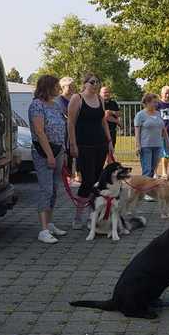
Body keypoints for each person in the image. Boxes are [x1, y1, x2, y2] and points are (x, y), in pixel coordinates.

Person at [67, 74, 114, 229]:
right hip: (84, 145)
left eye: (97, 82)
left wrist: (109, 141)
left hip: (100, 144)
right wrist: (73, 144)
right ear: (85, 83)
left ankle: (92, 215)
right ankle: (78, 217)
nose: (95, 84)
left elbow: (103, 121)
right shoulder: (77, 98)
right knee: (87, 181)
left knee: (96, 181)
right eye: (92, 82)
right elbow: (71, 123)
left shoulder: (100, 99)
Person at [28, 75, 68, 244]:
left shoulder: (56, 105)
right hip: (44, 152)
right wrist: (50, 155)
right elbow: (40, 131)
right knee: (46, 189)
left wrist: (63, 152)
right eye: (56, 86)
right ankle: (43, 229)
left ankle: (50, 223)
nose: (59, 88)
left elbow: (62, 127)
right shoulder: (37, 105)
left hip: (58, 150)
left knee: (55, 188)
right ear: (48, 87)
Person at [134, 93, 169, 200]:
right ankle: (146, 192)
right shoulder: (140, 115)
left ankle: (145, 190)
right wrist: (137, 145)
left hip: (158, 145)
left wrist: (167, 141)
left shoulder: (158, 114)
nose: (156, 104)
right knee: (147, 170)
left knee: (153, 170)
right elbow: (137, 132)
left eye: (156, 102)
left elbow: (163, 129)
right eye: (154, 102)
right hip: (146, 146)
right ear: (147, 102)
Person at [55, 76, 77, 178]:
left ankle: (74, 174)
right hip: (64, 131)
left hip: (76, 129)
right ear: (63, 87)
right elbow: (65, 114)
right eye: (69, 86)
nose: (72, 88)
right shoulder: (59, 100)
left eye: (73, 86)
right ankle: (66, 175)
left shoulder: (75, 98)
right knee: (66, 153)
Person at [100, 85, 122, 159]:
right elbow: (105, 116)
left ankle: (110, 164)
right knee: (102, 154)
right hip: (102, 132)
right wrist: (117, 121)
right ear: (100, 93)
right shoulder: (99, 103)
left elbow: (119, 113)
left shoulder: (113, 103)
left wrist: (111, 112)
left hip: (112, 131)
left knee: (111, 153)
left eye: (108, 92)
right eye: (105, 92)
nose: (107, 94)